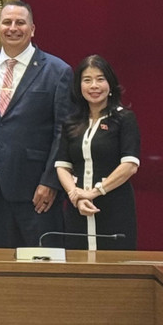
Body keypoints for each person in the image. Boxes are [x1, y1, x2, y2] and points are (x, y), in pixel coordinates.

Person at [0, 1, 72, 248]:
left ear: (32, 29)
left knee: (40, 263)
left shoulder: (57, 70)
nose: (13, 28)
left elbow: (64, 132)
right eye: (7, 22)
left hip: (36, 191)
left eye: (20, 23)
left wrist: (50, 182)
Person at [55, 55, 140, 250]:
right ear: (79, 86)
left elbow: (130, 166)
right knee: (78, 260)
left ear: (110, 84)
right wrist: (76, 196)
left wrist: (93, 192)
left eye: (100, 79)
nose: (94, 86)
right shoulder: (71, 122)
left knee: (114, 262)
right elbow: (62, 166)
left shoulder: (124, 118)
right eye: (87, 80)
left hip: (114, 207)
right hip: (77, 208)